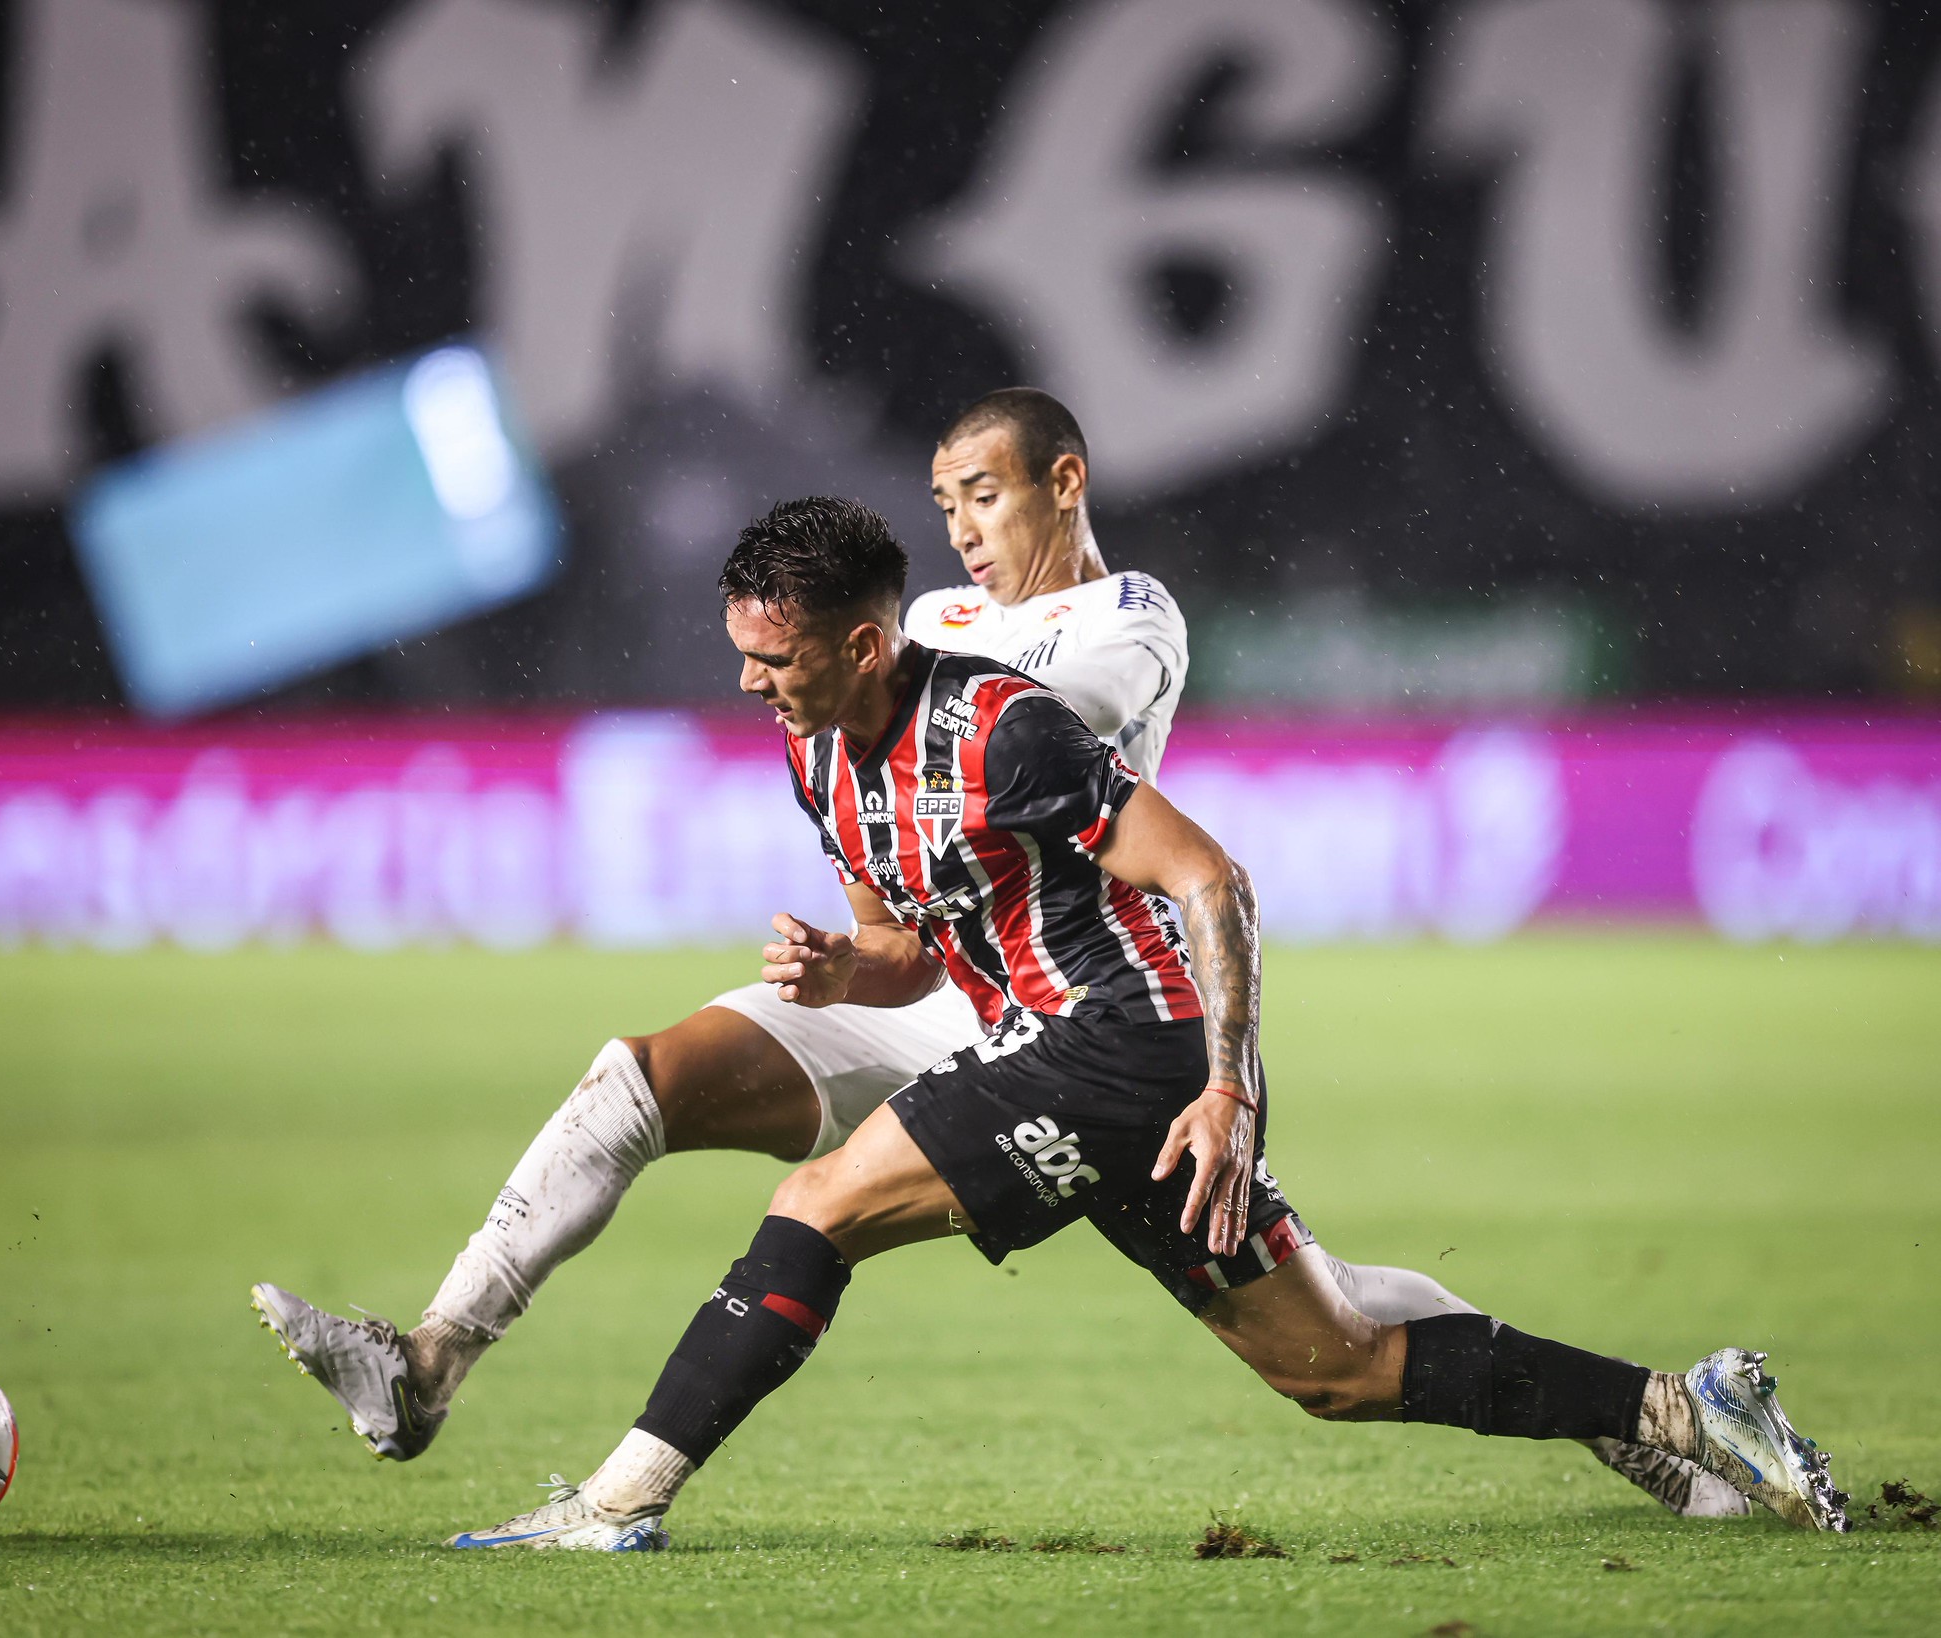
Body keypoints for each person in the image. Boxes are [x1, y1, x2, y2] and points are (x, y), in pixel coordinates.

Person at [252, 390, 1738, 1518]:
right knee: (639, 1077)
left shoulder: (1118, 623)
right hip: (938, 990)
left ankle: (1634, 1410)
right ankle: (432, 1355)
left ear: (1064, 484)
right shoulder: (905, 642)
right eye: (944, 500)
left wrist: (890, 650)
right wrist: (851, 964)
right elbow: (886, 773)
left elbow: (989, 723)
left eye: (984, 492)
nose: (963, 524)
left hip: (1083, 1003)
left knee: (1316, 1328)